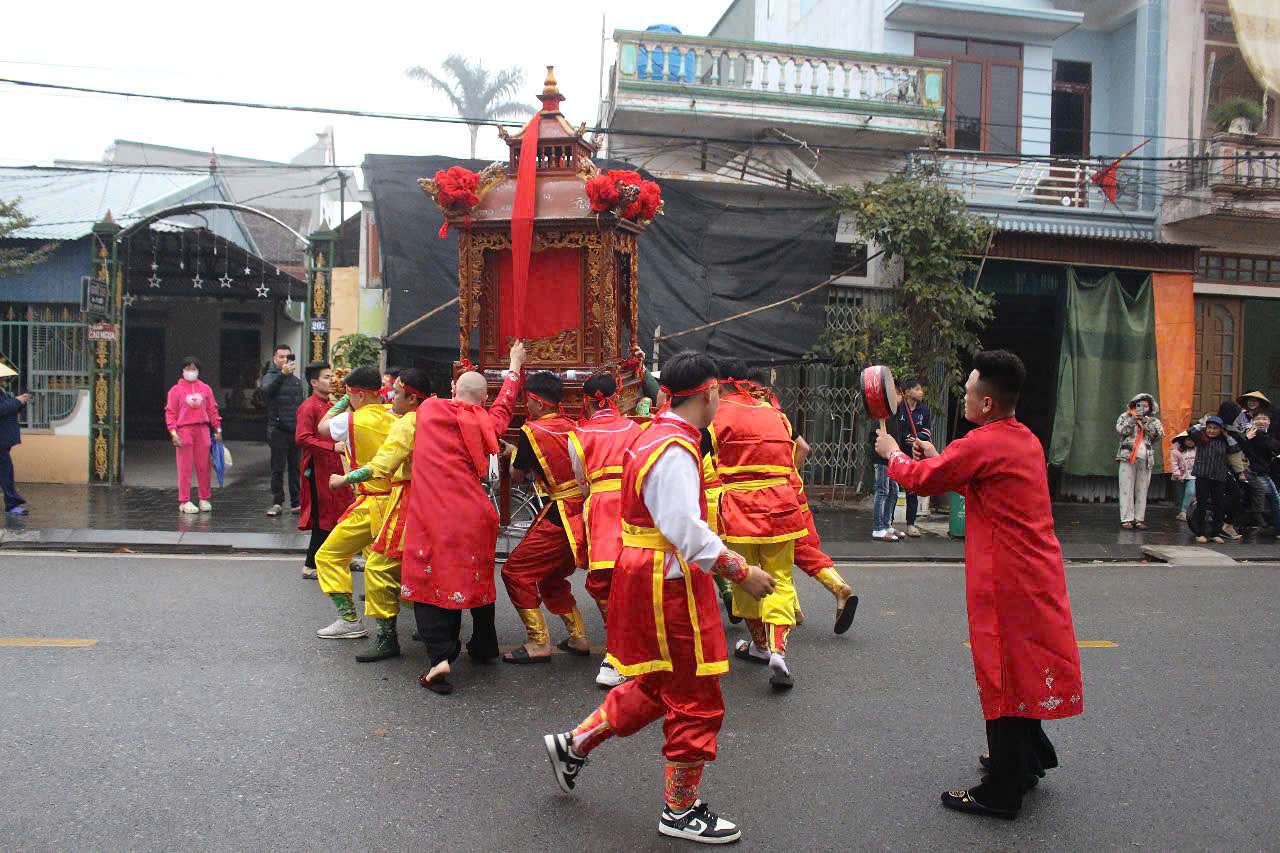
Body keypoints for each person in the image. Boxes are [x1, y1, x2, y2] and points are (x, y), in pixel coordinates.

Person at [542, 350, 775, 845]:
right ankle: (680, 810)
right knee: (696, 697)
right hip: (667, 582)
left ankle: (574, 743)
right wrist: (743, 571)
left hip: (649, 572)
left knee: (655, 685)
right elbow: (685, 531)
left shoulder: (657, 434)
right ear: (710, 392)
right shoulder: (673, 446)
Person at [875, 349, 1083, 820]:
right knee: (1021, 668)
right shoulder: (1022, 439)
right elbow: (978, 481)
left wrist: (892, 456)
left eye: (968, 390)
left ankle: (1003, 790)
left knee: (1002, 673)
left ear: (986, 403)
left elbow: (923, 480)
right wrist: (941, 458)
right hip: (1034, 572)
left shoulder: (981, 443)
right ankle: (1027, 760)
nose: (964, 395)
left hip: (1006, 577)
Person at [401, 343, 526, 695]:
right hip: (475, 515)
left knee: (431, 583)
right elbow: (504, 407)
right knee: (475, 578)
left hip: (433, 516)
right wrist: (514, 364)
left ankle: (441, 655)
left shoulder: (428, 410)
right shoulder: (486, 421)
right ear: (483, 400)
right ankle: (484, 646)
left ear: (453, 389)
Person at [710, 358, 808, 690]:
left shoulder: (717, 414)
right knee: (780, 579)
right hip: (781, 507)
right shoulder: (775, 413)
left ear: (722, 384)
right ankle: (777, 650)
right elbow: (798, 451)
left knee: (745, 578)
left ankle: (760, 646)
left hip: (738, 510)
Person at [330, 368, 433, 662]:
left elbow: (381, 465)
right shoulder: (435, 416)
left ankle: (387, 637)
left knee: (378, 566)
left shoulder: (406, 423)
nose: (392, 397)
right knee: (421, 562)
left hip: (406, 500)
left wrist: (343, 480)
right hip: (436, 498)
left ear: (412, 398)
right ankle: (430, 627)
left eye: (398, 393)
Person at [501, 371, 590, 664]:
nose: (527, 406)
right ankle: (578, 636)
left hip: (559, 514)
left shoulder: (532, 431)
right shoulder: (574, 425)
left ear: (538, 402)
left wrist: (512, 453)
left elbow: (517, 475)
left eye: (528, 400)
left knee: (515, 572)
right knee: (551, 577)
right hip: (583, 512)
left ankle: (538, 641)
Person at [568, 372, 645, 687]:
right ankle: (632, 652)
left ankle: (618, 653)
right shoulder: (636, 429)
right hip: (634, 509)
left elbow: (581, 484)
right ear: (618, 396)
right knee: (636, 581)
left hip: (601, 512)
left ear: (586, 401)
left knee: (604, 584)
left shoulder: (579, 435)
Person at [312, 367, 398, 639]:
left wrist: (342, 401)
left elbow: (322, 427)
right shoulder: (394, 415)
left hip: (370, 502)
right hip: (398, 501)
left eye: (350, 393)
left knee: (328, 556)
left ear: (358, 394)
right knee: (385, 563)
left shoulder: (349, 420)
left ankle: (350, 619)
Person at [294, 362, 353, 580]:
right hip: (317, 469)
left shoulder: (330, 406)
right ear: (314, 382)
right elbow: (302, 438)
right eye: (327, 377)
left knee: (341, 512)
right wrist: (331, 446)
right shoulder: (309, 407)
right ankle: (310, 564)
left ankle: (339, 560)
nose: (331, 381)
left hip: (333, 467)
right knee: (323, 517)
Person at [165, 356, 222, 514]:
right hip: (184, 430)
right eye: (188, 369)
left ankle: (204, 498)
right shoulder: (175, 391)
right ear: (182, 371)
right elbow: (170, 412)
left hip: (202, 430)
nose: (191, 372)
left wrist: (217, 429)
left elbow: (212, 410)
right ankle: (184, 500)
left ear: (198, 371)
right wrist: (173, 432)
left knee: (204, 466)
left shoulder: (205, 389)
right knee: (184, 467)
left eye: (194, 369)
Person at [260, 344, 306, 517]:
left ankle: (296, 502)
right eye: (281, 357)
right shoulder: (270, 377)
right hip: (277, 430)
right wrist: (281, 375)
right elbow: (266, 392)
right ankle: (277, 502)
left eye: (288, 357)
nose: (285, 360)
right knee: (277, 468)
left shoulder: (296, 381)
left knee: (295, 468)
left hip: (294, 431)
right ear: (274, 359)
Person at [1188, 415, 1245, 543]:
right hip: (1203, 476)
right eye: (1209, 428)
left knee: (1218, 505)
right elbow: (1190, 431)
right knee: (1201, 505)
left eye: (1215, 428)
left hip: (1219, 477)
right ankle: (1200, 533)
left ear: (1220, 430)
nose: (1211, 431)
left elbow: (1235, 448)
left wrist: (1226, 434)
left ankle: (1215, 533)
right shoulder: (1201, 439)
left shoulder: (1224, 441)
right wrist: (1200, 424)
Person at [1115, 393, 1164, 530]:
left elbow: (1158, 436)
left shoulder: (1153, 421)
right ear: (1133, 405)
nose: (1142, 408)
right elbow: (1121, 431)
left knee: (1142, 489)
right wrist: (1132, 420)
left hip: (1146, 457)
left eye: (1146, 405)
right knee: (1126, 488)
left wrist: (1146, 423)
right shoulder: (1125, 417)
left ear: (1150, 407)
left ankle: (1139, 519)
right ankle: (1126, 519)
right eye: (1139, 405)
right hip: (1127, 456)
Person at [894, 377, 933, 537]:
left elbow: (927, 431)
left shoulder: (924, 410)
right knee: (892, 490)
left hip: (915, 454)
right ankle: (888, 524)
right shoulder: (899, 408)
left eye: (921, 389)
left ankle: (911, 524)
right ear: (908, 392)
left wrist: (918, 440)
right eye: (917, 389)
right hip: (898, 451)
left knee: (912, 490)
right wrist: (905, 437)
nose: (921, 392)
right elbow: (895, 427)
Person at [1238, 409, 1280, 535]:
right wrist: (1246, 438)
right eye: (1259, 418)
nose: (1262, 421)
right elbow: (1239, 448)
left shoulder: (1267, 436)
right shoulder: (1251, 435)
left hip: (1261, 472)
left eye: (1265, 419)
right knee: (1275, 500)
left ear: (1269, 422)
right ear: (1253, 421)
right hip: (1253, 472)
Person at [869, 411, 905, 542]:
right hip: (881, 460)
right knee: (882, 491)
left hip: (891, 459)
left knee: (894, 491)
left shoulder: (895, 416)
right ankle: (878, 529)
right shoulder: (882, 416)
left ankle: (886, 525)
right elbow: (874, 438)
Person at [0, 364, 29, 516]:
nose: (4, 380)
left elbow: (9, 408)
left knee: (6, 472)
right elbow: (2, 409)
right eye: (2, 378)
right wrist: (17, 401)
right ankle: (12, 504)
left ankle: (12, 503)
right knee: (6, 473)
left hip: (4, 440)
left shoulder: (2, 392)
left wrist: (20, 403)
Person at [1169, 431, 1196, 523]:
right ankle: (1182, 512)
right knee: (1180, 494)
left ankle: (1184, 511)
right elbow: (1174, 463)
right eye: (1188, 440)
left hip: (1193, 475)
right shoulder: (1176, 451)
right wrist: (1177, 474)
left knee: (1191, 491)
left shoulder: (1198, 449)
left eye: (1193, 440)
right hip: (1180, 475)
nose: (1190, 442)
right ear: (1183, 440)